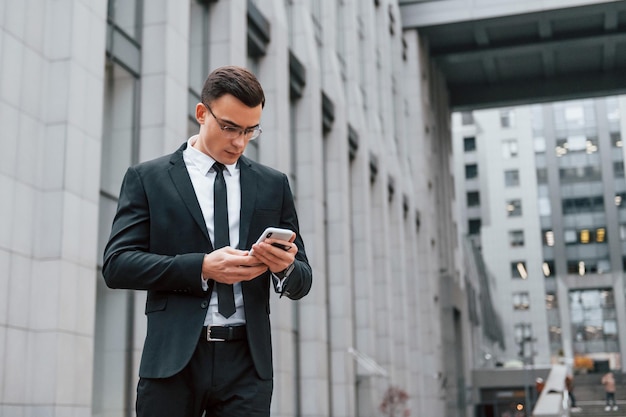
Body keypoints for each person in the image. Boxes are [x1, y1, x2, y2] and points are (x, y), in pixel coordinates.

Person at [103, 65, 313, 417]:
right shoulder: (148, 178)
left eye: (250, 131)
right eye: (229, 127)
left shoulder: (272, 184)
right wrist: (201, 267)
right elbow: (117, 265)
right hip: (173, 363)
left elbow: (302, 280)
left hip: (248, 364)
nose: (239, 142)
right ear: (202, 113)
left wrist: (286, 267)